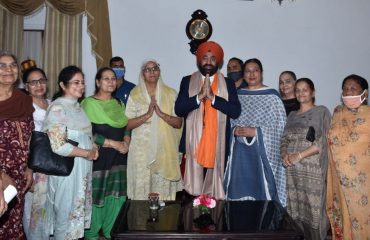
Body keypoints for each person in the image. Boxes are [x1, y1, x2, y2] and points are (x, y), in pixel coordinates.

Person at [175, 41, 241, 200]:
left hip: (218, 146)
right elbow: (179, 109)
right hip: (193, 146)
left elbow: (235, 111)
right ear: (199, 60)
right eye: (205, 57)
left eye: (213, 58)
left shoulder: (229, 84)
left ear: (218, 61)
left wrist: (214, 98)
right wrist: (198, 98)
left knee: (215, 198)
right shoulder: (187, 81)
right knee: (192, 198)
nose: (209, 62)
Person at [42, 65, 99, 239]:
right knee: (64, 215)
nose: (81, 86)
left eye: (82, 82)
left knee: (75, 214)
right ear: (62, 85)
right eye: (75, 82)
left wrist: (93, 147)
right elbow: (58, 145)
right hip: (67, 170)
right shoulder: (58, 107)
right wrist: (86, 153)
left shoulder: (79, 107)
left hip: (81, 169)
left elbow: (85, 135)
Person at [224, 58, 287, 206]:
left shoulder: (272, 97)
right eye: (247, 71)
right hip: (239, 156)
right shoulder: (238, 96)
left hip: (262, 155)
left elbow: (280, 127)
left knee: (261, 196)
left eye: (255, 70)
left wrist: (256, 132)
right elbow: (230, 122)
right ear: (243, 74)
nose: (252, 74)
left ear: (262, 73)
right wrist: (234, 131)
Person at [81, 67, 130, 239]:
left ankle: (111, 235)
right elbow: (86, 134)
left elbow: (126, 127)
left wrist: (126, 143)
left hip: (119, 161)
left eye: (113, 79)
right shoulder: (88, 104)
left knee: (116, 201)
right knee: (96, 202)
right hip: (98, 161)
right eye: (106, 78)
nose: (110, 82)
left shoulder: (119, 104)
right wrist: (114, 144)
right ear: (97, 82)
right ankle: (92, 236)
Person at [126, 59, 183, 200]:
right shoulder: (135, 94)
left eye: (155, 68)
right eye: (147, 69)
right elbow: (127, 124)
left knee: (162, 192)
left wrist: (161, 114)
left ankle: (164, 220)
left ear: (159, 72)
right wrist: (147, 115)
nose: (151, 72)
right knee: (142, 189)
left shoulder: (171, 93)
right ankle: (139, 221)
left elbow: (178, 123)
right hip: (140, 150)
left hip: (164, 148)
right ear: (142, 74)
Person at [281, 78, 331, 240]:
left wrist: (299, 156)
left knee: (314, 211)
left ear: (313, 92)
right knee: (295, 210)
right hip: (293, 172)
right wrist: (284, 155)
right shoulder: (292, 115)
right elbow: (284, 140)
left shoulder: (321, 112)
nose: (301, 93)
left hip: (312, 173)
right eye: (298, 90)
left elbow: (323, 142)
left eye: (305, 89)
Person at [327, 74, 370, 239]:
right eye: (345, 88)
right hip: (339, 181)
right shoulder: (337, 113)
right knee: (344, 219)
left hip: (363, 184)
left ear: (364, 94)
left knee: (363, 219)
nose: (348, 92)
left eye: (353, 88)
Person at [0, 51, 34, 238]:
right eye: (2, 66)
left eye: (13, 65)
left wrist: (29, 166)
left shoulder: (23, 99)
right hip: (1, 175)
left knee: (14, 223)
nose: (8, 69)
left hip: (20, 174)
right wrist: (1, 176)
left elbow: (29, 137)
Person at [21, 67, 51, 239]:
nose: (39, 85)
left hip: (54, 166)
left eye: (42, 80)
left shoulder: (53, 103)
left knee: (50, 211)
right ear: (26, 86)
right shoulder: (24, 106)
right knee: (34, 212)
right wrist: (28, 168)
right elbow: (24, 140)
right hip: (34, 167)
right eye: (33, 82)